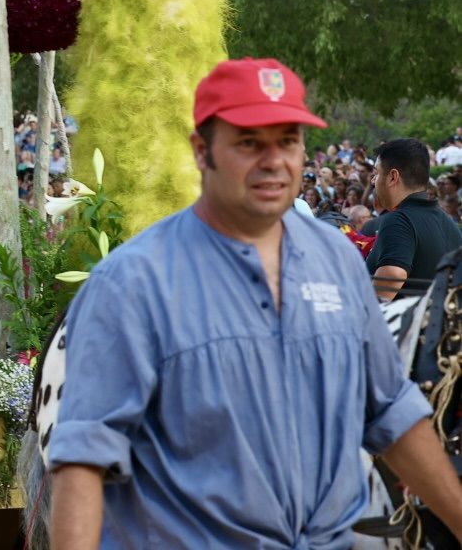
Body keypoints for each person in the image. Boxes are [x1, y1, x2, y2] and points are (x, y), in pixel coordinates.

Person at [46, 58, 462, 549]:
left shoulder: (336, 260)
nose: (273, 160)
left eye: (287, 141)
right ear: (202, 151)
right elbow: (83, 459)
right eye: (249, 143)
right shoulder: (134, 282)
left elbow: (391, 411)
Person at [366, 137, 462, 302]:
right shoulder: (450, 224)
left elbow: (393, 275)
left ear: (393, 177)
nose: (373, 181)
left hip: (405, 326)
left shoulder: (399, 220)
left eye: (376, 173)